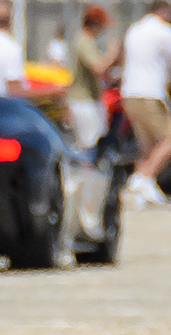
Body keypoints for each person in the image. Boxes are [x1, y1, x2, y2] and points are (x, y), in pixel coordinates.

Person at [120, 0, 171, 205]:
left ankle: (143, 192)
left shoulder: (135, 29)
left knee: (148, 144)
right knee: (168, 140)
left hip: (130, 92)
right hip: (150, 93)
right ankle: (145, 176)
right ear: (164, 11)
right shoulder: (163, 31)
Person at [68, 7, 120, 149]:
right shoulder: (84, 41)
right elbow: (98, 67)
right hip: (84, 100)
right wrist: (112, 53)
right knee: (89, 144)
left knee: (96, 140)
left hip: (91, 99)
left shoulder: (88, 41)